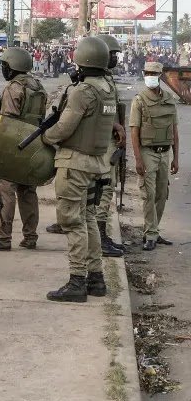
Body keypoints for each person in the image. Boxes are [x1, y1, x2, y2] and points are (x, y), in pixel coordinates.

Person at [42, 37, 121, 302]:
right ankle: (96, 278)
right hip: (96, 164)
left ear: (83, 62)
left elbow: (64, 128)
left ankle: (77, 281)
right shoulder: (107, 87)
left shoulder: (83, 91)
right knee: (88, 220)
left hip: (74, 164)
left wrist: (45, 137)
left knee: (72, 222)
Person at [0, 48, 46, 251]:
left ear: (14, 67)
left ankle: (3, 238)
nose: (3, 69)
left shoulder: (14, 88)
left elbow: (7, 123)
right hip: (32, 145)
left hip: (13, 147)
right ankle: (30, 237)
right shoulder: (38, 86)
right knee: (28, 191)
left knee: (5, 191)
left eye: (5, 66)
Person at [130, 61, 179, 251]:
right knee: (148, 195)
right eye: (147, 72)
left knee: (161, 194)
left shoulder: (169, 99)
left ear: (160, 75)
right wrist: (138, 159)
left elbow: (174, 130)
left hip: (164, 153)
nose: (150, 75)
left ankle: (154, 230)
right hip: (147, 152)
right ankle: (150, 233)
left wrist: (176, 158)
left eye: (153, 73)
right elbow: (134, 132)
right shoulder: (139, 100)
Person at [92, 34, 126, 257]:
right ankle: (99, 238)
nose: (114, 58)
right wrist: (115, 124)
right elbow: (99, 110)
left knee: (108, 189)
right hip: (103, 143)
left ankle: (102, 235)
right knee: (103, 190)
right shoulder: (96, 82)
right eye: (111, 54)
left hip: (110, 141)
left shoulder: (107, 79)